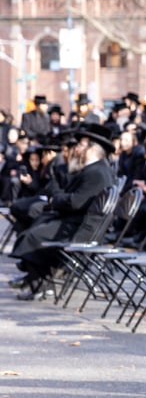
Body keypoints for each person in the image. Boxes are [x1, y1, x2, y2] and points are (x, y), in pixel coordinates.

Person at [10, 123, 118, 299]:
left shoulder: (97, 172)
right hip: (77, 222)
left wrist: (56, 198)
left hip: (80, 228)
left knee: (32, 237)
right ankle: (39, 281)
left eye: (82, 145)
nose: (78, 149)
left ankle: (40, 285)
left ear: (92, 149)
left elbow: (75, 202)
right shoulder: (96, 169)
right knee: (36, 224)